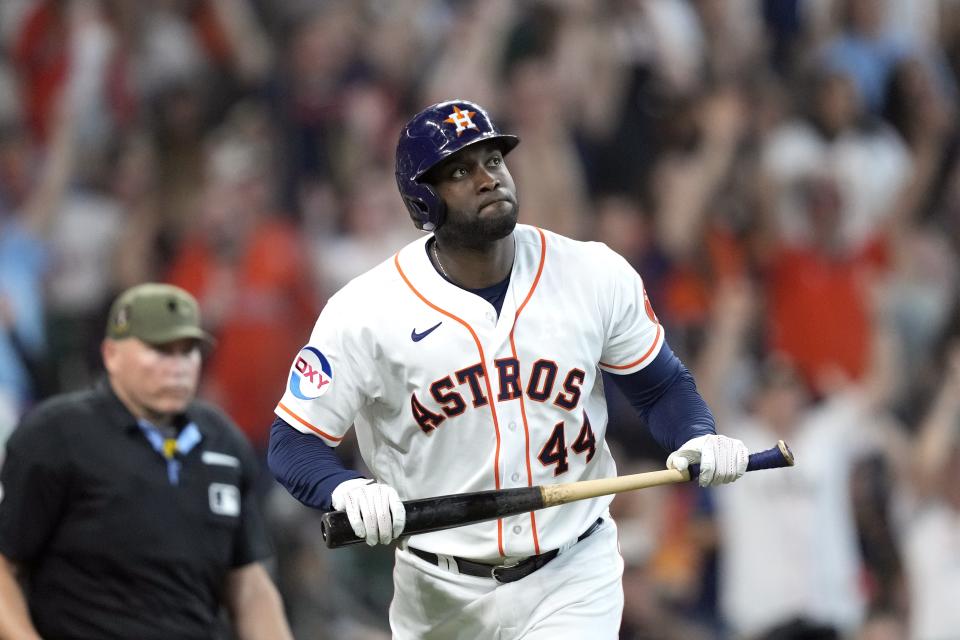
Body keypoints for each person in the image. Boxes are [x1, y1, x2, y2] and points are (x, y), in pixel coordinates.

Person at [267, 99, 749, 638]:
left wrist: (698, 435)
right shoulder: (366, 312)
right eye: (460, 171)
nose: (486, 178)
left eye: (493, 161)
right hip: (439, 591)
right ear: (423, 199)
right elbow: (293, 440)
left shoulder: (592, 273)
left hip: (572, 570)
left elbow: (661, 388)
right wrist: (345, 489)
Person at [0, 283, 293, 640]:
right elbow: (4, 566)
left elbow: (248, 584)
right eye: (160, 350)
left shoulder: (223, 441)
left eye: (188, 351)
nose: (178, 366)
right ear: (111, 354)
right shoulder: (56, 435)